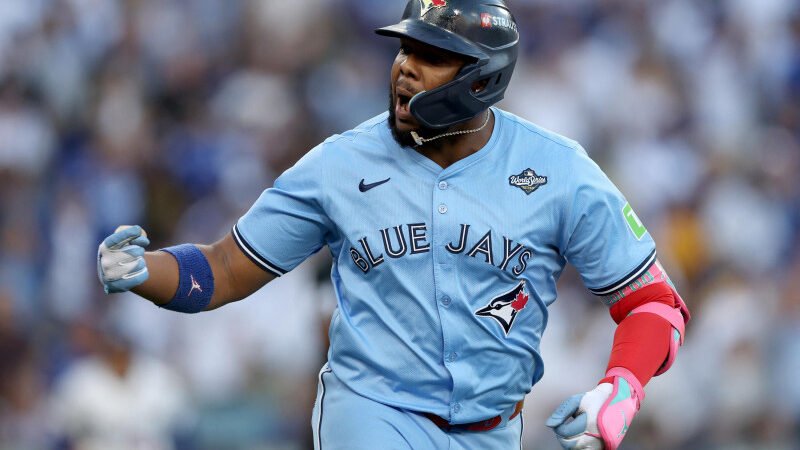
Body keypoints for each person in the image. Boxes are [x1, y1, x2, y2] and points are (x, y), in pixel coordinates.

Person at [97, 1, 690, 448]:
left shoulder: (558, 170)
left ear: (482, 78)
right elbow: (223, 269)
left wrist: (622, 386)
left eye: (430, 57)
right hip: (372, 410)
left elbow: (656, 305)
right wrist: (144, 270)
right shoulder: (339, 164)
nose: (405, 68)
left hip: (493, 428)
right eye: (404, 50)